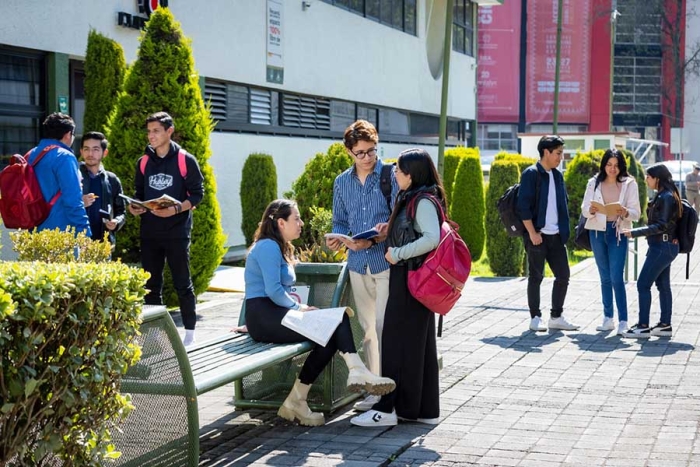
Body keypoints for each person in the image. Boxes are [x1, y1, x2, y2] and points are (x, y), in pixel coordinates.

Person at [244, 199, 396, 427]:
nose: (301, 223)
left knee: (333, 330)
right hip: (266, 316)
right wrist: (301, 308)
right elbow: (273, 291)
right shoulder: (267, 246)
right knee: (336, 323)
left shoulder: (278, 245)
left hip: (273, 314)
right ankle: (355, 371)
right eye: (296, 218)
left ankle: (298, 399)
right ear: (280, 223)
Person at [351, 148, 442, 428]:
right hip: (414, 279)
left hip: (410, 276)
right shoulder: (415, 196)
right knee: (416, 346)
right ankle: (422, 410)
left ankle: (388, 409)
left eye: (399, 171)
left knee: (395, 343)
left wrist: (398, 253)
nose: (395, 174)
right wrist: (388, 229)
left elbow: (431, 239)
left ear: (411, 175)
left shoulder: (423, 200)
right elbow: (412, 229)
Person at [326, 120, 398, 411]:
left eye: (372, 151)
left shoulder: (391, 174)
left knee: (384, 327)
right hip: (357, 263)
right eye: (361, 153)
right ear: (349, 152)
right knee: (367, 329)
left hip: (386, 261)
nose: (368, 157)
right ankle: (374, 388)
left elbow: (401, 215)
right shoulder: (341, 182)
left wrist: (381, 233)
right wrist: (339, 239)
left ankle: (390, 387)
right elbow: (340, 221)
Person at [128, 112, 204, 347]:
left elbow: (198, 194)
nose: (151, 136)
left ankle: (190, 334)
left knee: (183, 282)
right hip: (150, 232)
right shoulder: (143, 162)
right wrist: (135, 207)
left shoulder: (184, 159)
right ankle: (154, 336)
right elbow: (139, 194)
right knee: (151, 285)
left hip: (177, 232)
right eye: (149, 131)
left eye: (156, 131)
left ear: (169, 132)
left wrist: (176, 209)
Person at [517, 135, 579, 332]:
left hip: (556, 236)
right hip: (537, 235)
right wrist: (532, 233)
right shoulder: (531, 174)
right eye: (558, 153)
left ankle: (556, 316)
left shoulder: (557, 175)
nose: (561, 157)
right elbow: (523, 207)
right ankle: (535, 317)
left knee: (563, 275)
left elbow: (562, 204)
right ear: (546, 152)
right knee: (536, 277)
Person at [581, 149, 641, 336]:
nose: (612, 169)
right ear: (604, 165)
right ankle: (608, 318)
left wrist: (625, 212)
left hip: (618, 232)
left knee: (616, 277)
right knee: (604, 277)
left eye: (616, 165)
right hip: (597, 233)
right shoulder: (594, 183)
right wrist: (591, 210)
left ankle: (623, 320)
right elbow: (584, 209)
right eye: (609, 165)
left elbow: (636, 213)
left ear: (621, 166)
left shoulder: (629, 184)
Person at [621, 163, 682, 338]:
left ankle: (643, 326)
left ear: (657, 178)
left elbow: (661, 225)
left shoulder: (666, 197)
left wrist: (634, 232)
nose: (646, 179)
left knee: (643, 284)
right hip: (664, 246)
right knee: (663, 285)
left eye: (648, 176)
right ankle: (664, 325)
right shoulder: (666, 195)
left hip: (662, 247)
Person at [30, 112, 91, 235]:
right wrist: (84, 232)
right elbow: (73, 200)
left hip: (33, 231)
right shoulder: (64, 156)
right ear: (68, 135)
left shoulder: (31, 154)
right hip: (61, 233)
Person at [79, 131, 126, 248]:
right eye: (86, 149)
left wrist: (116, 222)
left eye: (95, 149)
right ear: (81, 151)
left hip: (104, 243)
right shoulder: (73, 176)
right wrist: (79, 203)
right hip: (78, 242)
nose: (90, 153)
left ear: (105, 152)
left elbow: (121, 211)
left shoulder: (112, 179)